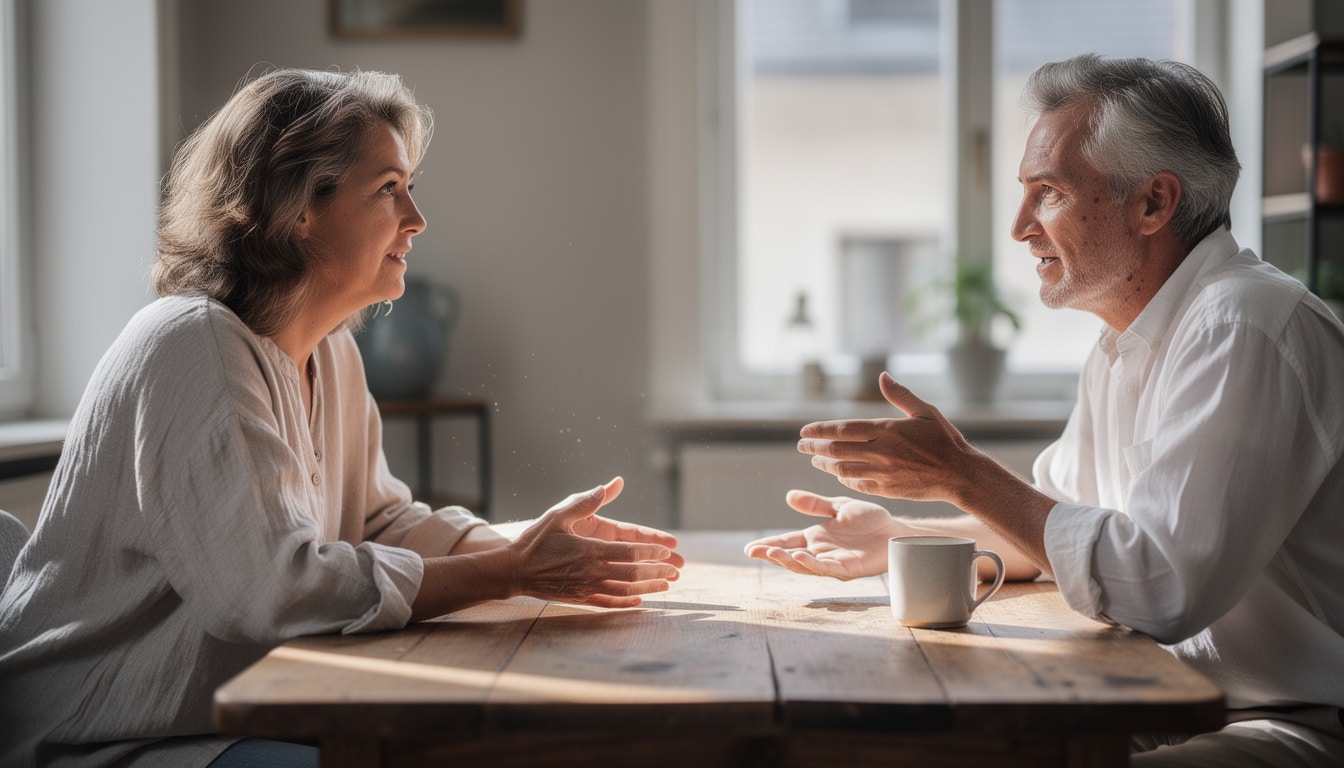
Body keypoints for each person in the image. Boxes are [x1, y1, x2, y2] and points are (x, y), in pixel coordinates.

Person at [0, 68, 683, 768]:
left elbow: (379, 523)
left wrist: (528, 542)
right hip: (99, 738)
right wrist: (512, 571)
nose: (416, 219)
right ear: (297, 208)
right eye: (389, 190)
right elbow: (272, 591)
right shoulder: (192, 347)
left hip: (215, 715)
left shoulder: (333, 350)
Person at [746, 54, 1344, 766]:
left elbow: (1158, 588)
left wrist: (962, 472)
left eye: (1048, 192)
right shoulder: (1129, 337)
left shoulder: (1242, 327)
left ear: (1154, 203)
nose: (1019, 227)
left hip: (1284, 722)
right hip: (1159, 696)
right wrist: (901, 533)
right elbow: (1059, 520)